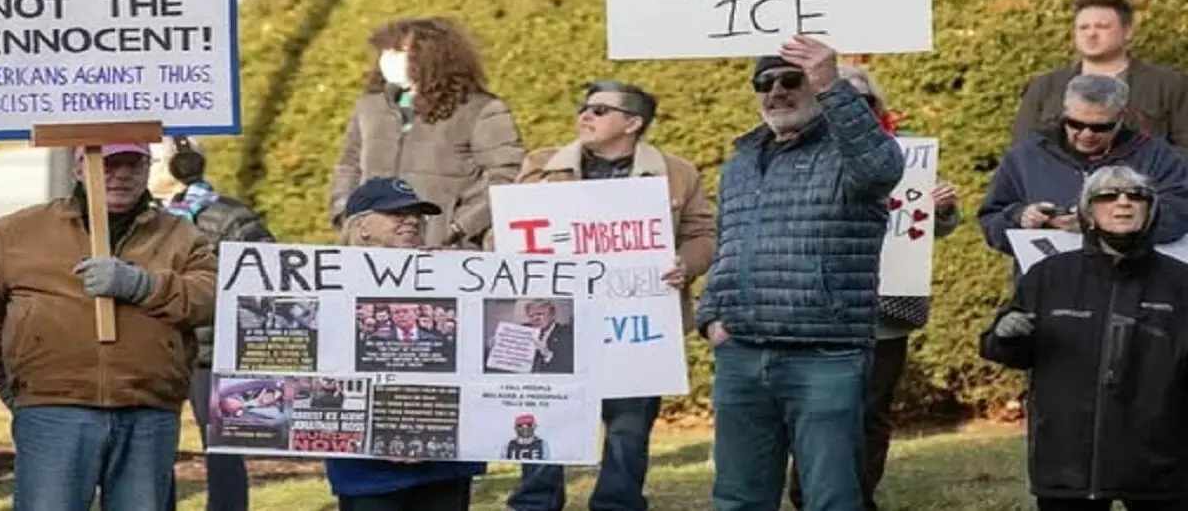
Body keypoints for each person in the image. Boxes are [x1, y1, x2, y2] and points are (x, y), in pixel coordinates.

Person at [697, 36, 905, 511]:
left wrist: (832, 82)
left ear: (813, 83)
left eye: (790, 80)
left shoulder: (851, 155)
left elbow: (882, 167)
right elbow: (727, 241)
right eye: (763, 82)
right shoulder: (742, 161)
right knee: (736, 498)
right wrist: (711, 317)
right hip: (743, 355)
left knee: (831, 498)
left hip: (824, 356)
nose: (776, 92)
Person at [504, 79, 715, 511]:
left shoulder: (677, 173)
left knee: (629, 424)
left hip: (637, 321)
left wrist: (686, 264)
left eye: (600, 110)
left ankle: (617, 503)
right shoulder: (542, 166)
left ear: (633, 123)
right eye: (584, 107)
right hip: (560, 315)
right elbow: (509, 232)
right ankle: (535, 502)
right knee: (548, 411)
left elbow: (703, 233)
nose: (586, 115)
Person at [0, 142, 217, 510]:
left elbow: (211, 298)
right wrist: (10, 381)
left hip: (148, 410)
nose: (122, 174)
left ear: (148, 169)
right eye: (108, 164)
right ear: (78, 168)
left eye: (134, 163)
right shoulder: (15, 233)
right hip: (52, 410)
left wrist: (143, 286)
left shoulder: (180, 234)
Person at [787, 63, 962, 511]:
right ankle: (807, 492)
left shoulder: (904, 155)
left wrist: (938, 208)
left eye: (863, 100)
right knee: (815, 410)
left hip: (884, 311)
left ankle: (858, 495)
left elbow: (923, 233)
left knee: (871, 410)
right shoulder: (795, 156)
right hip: (818, 307)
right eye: (839, 97)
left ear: (877, 106)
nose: (853, 108)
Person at [980, 165, 1188, 510]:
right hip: (1068, 463)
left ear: (1151, 210)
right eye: (1108, 195)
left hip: (1160, 463)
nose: (1123, 203)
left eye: (1136, 196)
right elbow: (1000, 351)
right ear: (1087, 212)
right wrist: (1007, 335)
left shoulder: (1180, 282)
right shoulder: (1049, 276)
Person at [326, 176, 485, 511]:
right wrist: (384, 434)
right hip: (366, 466)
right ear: (362, 226)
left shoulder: (460, 277)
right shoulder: (328, 288)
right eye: (396, 213)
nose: (411, 219)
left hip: (444, 460)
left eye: (417, 214)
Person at [151, 136, 275, 511]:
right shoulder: (144, 219)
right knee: (154, 446)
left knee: (224, 446)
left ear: (180, 167)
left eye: (153, 160)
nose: (144, 169)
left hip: (214, 352)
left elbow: (268, 278)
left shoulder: (232, 218)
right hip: (159, 349)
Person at [328, 16, 526, 249]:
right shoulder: (370, 107)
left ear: (432, 56)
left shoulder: (480, 110)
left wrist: (459, 228)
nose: (389, 60)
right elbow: (348, 166)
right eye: (386, 51)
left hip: (445, 251)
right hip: (372, 251)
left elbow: (508, 178)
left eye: (400, 51)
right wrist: (345, 212)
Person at [980, 74, 1188, 266]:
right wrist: (1021, 217)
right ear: (1064, 113)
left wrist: (1098, 222)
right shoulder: (1026, 155)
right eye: (1075, 124)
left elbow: (1179, 215)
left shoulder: (1155, 155)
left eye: (1100, 127)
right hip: (1051, 288)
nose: (1086, 134)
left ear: (1121, 118)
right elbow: (991, 222)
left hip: (1135, 285)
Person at [1011, 0, 1188, 154]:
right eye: (1083, 27)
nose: (1091, 34)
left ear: (1127, 32)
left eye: (1102, 27)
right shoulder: (1045, 87)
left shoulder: (1169, 85)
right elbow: (1023, 151)